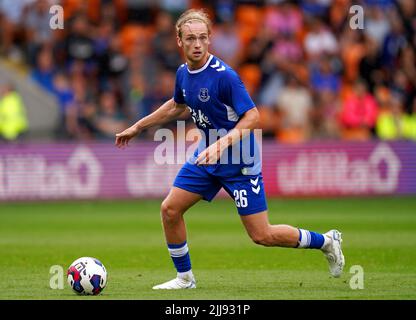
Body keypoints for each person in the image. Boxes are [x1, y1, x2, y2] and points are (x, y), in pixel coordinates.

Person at [115, 9, 345, 290]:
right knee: (170, 209)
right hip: (207, 157)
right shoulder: (183, 74)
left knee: (262, 235)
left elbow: (253, 116)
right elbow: (177, 105)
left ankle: (327, 241)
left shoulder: (225, 76)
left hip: (239, 161)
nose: (197, 44)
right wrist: (138, 126)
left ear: (210, 39)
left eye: (202, 38)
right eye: (190, 39)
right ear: (180, 41)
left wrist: (223, 143)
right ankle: (185, 278)